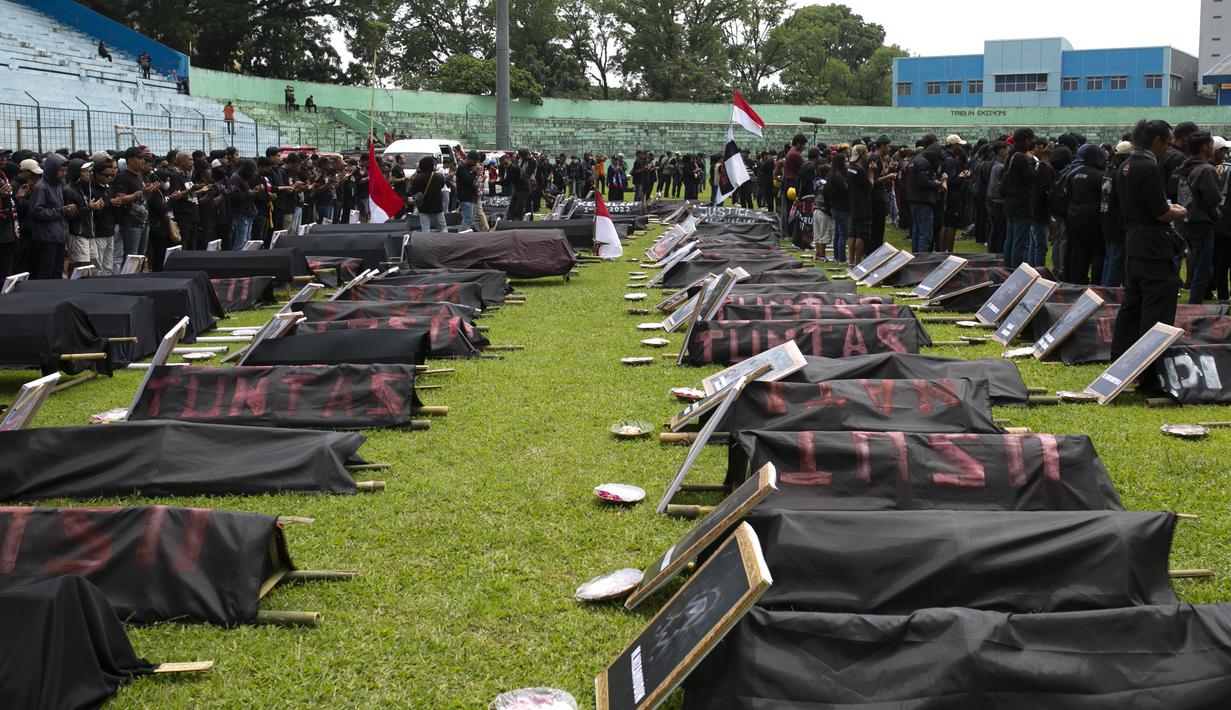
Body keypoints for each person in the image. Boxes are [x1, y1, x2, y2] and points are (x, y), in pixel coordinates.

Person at [1110, 120, 1188, 361]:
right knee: (1158, 307)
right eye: (1167, 144)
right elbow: (1161, 213)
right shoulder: (1149, 167)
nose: (1168, 149)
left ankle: (1121, 359)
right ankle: (1150, 365)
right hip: (1154, 245)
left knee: (1132, 305)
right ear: (1156, 141)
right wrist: (1179, 212)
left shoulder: (1126, 165)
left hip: (1134, 243)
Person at [1177, 132, 1222, 304]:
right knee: (1203, 270)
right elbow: (1213, 199)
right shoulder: (1206, 170)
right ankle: (1194, 306)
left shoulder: (1185, 167)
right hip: (1202, 223)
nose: (1213, 149)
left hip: (1185, 220)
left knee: (1196, 263)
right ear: (1204, 147)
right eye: (1211, 145)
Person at [1063, 145, 1107, 284]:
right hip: (1091, 219)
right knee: (1098, 252)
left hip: (1074, 216)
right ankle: (1096, 282)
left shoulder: (1076, 173)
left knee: (1080, 250)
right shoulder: (1101, 176)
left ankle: (1078, 281)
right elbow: (1106, 200)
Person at [110, 147, 156, 265]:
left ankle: (138, 276)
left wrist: (150, 191)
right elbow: (120, 198)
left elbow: (144, 198)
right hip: (130, 222)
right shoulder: (123, 176)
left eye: (143, 158)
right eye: (139, 158)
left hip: (144, 220)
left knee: (141, 256)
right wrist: (140, 193)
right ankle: (129, 276)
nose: (143, 161)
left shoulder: (141, 176)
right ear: (130, 160)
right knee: (131, 256)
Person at [27, 153, 71, 279]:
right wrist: (61, 211)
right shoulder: (40, 187)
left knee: (58, 271)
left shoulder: (58, 185)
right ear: (52, 169)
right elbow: (36, 211)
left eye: (65, 170)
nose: (64, 174)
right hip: (47, 238)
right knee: (46, 272)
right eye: (61, 170)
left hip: (59, 236)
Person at [1002, 129, 1040, 267]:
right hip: (1022, 203)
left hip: (1011, 201)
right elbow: (1032, 177)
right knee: (1019, 242)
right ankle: (1015, 270)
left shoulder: (1011, 156)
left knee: (1011, 238)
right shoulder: (1022, 158)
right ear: (1027, 141)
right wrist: (1036, 161)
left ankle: (1008, 269)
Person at [908, 140, 945, 253]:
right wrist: (936, 183)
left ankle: (915, 256)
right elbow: (923, 182)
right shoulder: (924, 163)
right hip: (923, 202)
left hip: (915, 201)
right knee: (925, 234)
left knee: (917, 232)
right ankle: (922, 259)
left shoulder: (916, 160)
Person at [847, 144, 874, 266]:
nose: (868, 155)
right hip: (863, 206)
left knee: (853, 234)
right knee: (861, 235)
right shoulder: (859, 170)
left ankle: (851, 261)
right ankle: (858, 262)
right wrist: (871, 173)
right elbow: (869, 186)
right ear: (862, 155)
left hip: (853, 204)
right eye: (866, 152)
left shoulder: (850, 167)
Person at [409, 155, 450, 232]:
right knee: (443, 227)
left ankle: (426, 240)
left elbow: (412, 190)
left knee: (425, 227)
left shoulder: (418, 178)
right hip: (437, 207)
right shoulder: (439, 176)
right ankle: (445, 239)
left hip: (423, 207)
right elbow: (442, 186)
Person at [225, 159, 259, 250]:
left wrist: (252, 191)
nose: (253, 174)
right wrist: (248, 193)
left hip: (247, 212)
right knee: (241, 241)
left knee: (246, 240)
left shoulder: (243, 177)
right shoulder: (235, 178)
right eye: (252, 171)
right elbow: (233, 195)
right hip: (240, 213)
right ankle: (236, 257)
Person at [456, 150, 481, 231]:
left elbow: (475, 183)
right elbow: (470, 182)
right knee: (467, 220)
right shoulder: (462, 168)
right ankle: (463, 236)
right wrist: (475, 173)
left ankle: (466, 235)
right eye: (475, 161)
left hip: (472, 197)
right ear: (470, 159)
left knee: (470, 221)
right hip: (466, 197)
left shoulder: (470, 167)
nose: (476, 163)